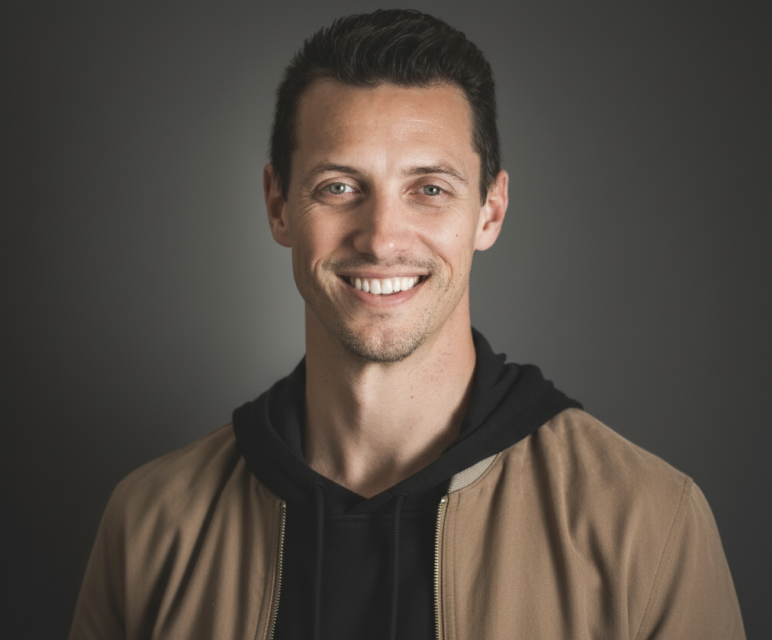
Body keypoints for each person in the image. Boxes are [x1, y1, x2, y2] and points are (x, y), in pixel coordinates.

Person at [69, 9, 745, 640]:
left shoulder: (649, 523)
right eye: (339, 187)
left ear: (490, 210)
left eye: (430, 189)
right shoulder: (149, 525)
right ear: (278, 206)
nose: (383, 237)